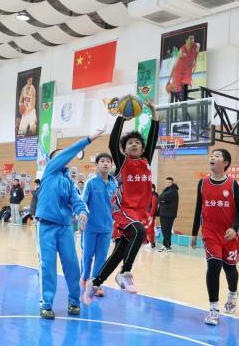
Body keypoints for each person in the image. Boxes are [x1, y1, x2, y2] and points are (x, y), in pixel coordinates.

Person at [87, 101, 159, 296]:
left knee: (120, 250)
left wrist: (153, 112)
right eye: (130, 143)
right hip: (122, 209)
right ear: (124, 150)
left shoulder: (146, 161)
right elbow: (112, 143)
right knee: (139, 231)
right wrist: (121, 118)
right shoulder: (122, 162)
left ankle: (95, 283)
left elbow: (153, 136)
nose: (134, 144)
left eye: (137, 142)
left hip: (139, 213)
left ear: (143, 149)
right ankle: (125, 272)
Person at [36, 129, 104, 319]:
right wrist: (88, 138)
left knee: (72, 266)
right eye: (61, 155)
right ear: (53, 160)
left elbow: (76, 200)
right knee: (47, 266)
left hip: (65, 227)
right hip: (46, 226)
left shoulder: (68, 181)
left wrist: (82, 212)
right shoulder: (49, 171)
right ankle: (46, 304)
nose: (65, 158)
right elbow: (67, 153)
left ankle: (74, 301)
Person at [191, 149, 239, 326]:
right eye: (211, 155)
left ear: (226, 163)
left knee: (230, 269)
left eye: (217, 155)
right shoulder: (203, 183)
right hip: (210, 232)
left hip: (228, 235)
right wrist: (194, 233)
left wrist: (235, 229)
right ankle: (213, 309)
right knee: (214, 266)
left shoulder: (232, 183)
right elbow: (198, 209)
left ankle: (232, 294)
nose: (212, 157)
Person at [79, 153, 117, 303]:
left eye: (108, 161)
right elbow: (82, 202)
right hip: (90, 227)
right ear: (97, 164)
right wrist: (82, 215)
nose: (105, 164)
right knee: (88, 255)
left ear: (111, 165)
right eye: (102, 161)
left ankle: (95, 283)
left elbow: (118, 205)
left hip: (107, 228)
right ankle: (84, 277)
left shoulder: (115, 184)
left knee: (101, 257)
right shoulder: (91, 182)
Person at [158, 177, 179, 252]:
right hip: (164, 213)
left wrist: (162, 200)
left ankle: (166, 246)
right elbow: (159, 199)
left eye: (169, 182)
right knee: (165, 230)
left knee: (166, 230)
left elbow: (161, 197)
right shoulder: (166, 190)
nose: (167, 184)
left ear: (172, 183)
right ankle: (166, 245)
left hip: (168, 214)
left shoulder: (173, 191)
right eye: (166, 182)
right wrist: (161, 200)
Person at [144, 184, 159, 249]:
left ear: (154, 189)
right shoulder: (148, 195)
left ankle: (152, 243)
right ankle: (149, 242)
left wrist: (151, 215)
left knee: (150, 229)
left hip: (150, 215)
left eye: (151, 188)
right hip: (147, 214)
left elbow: (154, 207)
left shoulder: (154, 196)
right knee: (147, 229)